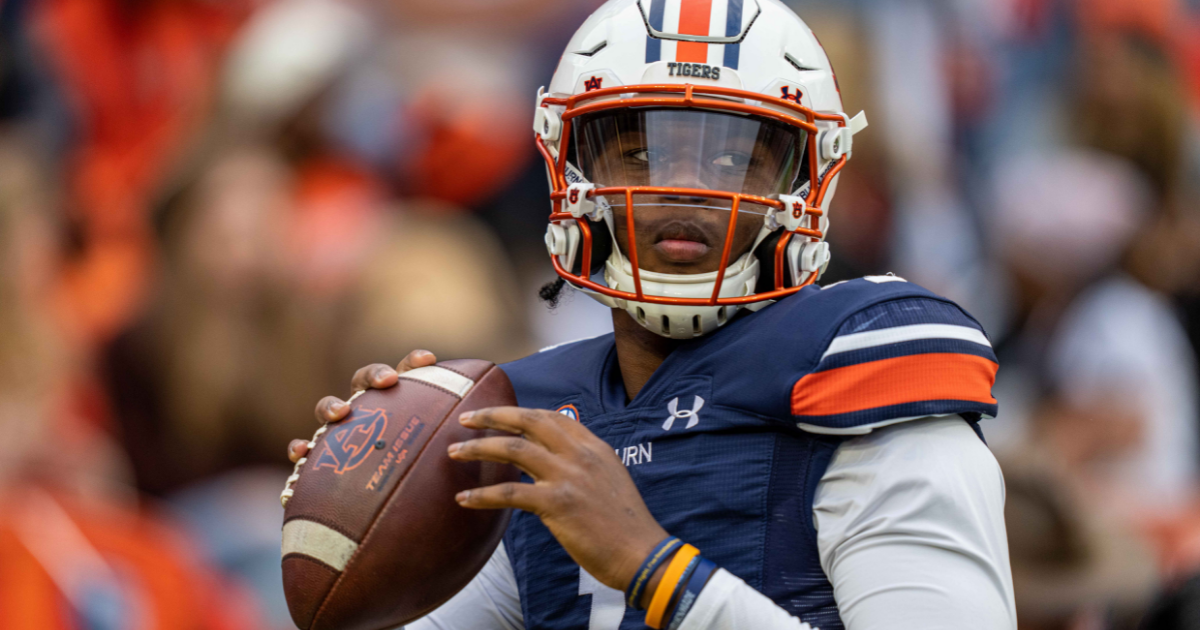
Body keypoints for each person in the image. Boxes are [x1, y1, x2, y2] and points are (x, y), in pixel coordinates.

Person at [287, 1, 1015, 628]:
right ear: (572, 172)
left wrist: (653, 566)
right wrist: (363, 507)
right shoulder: (536, 413)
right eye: (639, 152)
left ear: (805, 180)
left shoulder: (865, 378)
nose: (687, 188)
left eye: (734, 160)